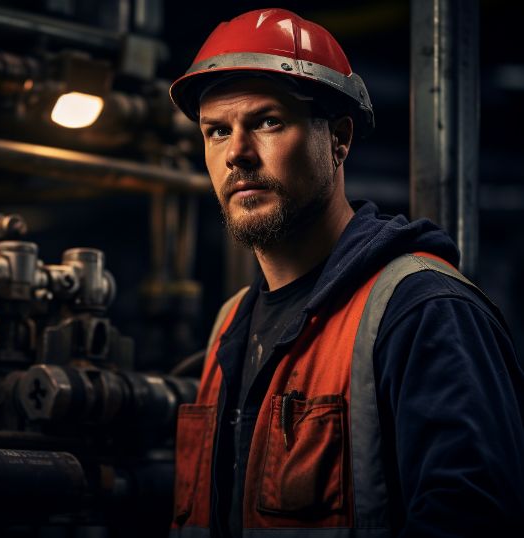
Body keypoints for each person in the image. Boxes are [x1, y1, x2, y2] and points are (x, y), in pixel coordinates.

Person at [168, 8, 524, 538]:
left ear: (338, 139)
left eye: (268, 121)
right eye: (217, 131)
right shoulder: (229, 326)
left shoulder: (423, 312)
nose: (237, 154)